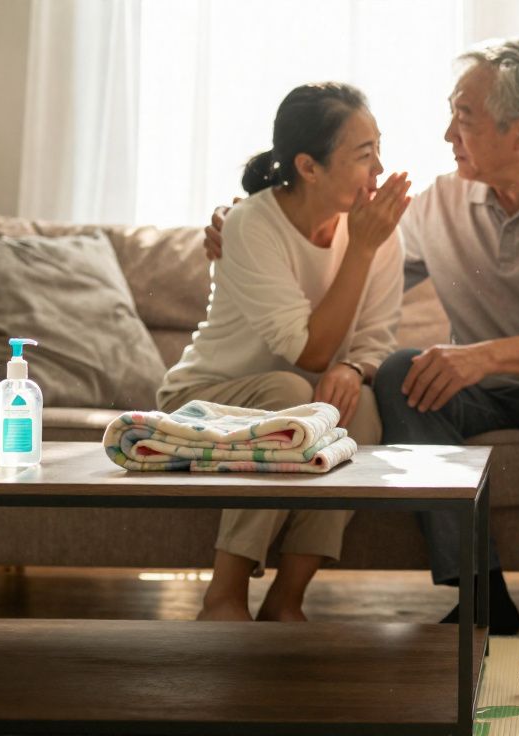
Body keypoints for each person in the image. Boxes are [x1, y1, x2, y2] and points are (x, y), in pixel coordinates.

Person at [203, 40, 519, 636]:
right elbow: (345, 259)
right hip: (484, 391)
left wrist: (479, 356)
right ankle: (480, 592)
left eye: (464, 118)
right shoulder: (436, 202)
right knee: (399, 374)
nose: (447, 134)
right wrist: (258, 219)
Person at [159, 82, 411, 622]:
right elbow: (308, 351)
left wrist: (353, 367)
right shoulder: (251, 223)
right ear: (309, 166)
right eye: (364, 155)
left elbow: (374, 336)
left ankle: (286, 599)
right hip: (207, 394)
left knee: (360, 407)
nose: (379, 168)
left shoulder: (379, 232)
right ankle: (223, 596)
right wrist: (362, 249)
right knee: (293, 391)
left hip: (297, 395)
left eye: (378, 150)